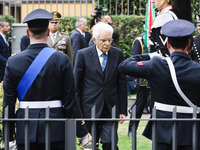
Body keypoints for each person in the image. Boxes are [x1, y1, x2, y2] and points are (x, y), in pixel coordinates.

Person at [2, 9, 91, 150]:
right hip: (55, 128)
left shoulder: (13, 62)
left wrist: (8, 137)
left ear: (27, 33)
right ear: (48, 32)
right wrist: (83, 134)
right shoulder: (61, 60)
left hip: (25, 128)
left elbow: (8, 103)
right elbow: (70, 101)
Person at [119, 19, 200, 150]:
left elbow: (124, 66)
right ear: (189, 43)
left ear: (167, 43)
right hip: (191, 132)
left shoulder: (157, 65)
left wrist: (151, 56)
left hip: (163, 131)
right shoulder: (197, 69)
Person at [73, 22, 127, 150]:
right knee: (91, 145)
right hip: (89, 108)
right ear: (94, 40)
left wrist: (122, 110)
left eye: (109, 40)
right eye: (103, 40)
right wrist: (77, 111)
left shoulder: (117, 54)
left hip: (110, 108)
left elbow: (121, 82)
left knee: (110, 142)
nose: (107, 43)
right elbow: (76, 85)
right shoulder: (83, 55)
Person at [128, 31, 151, 137]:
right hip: (144, 77)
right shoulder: (140, 40)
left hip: (156, 76)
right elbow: (135, 60)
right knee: (140, 105)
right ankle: (132, 130)